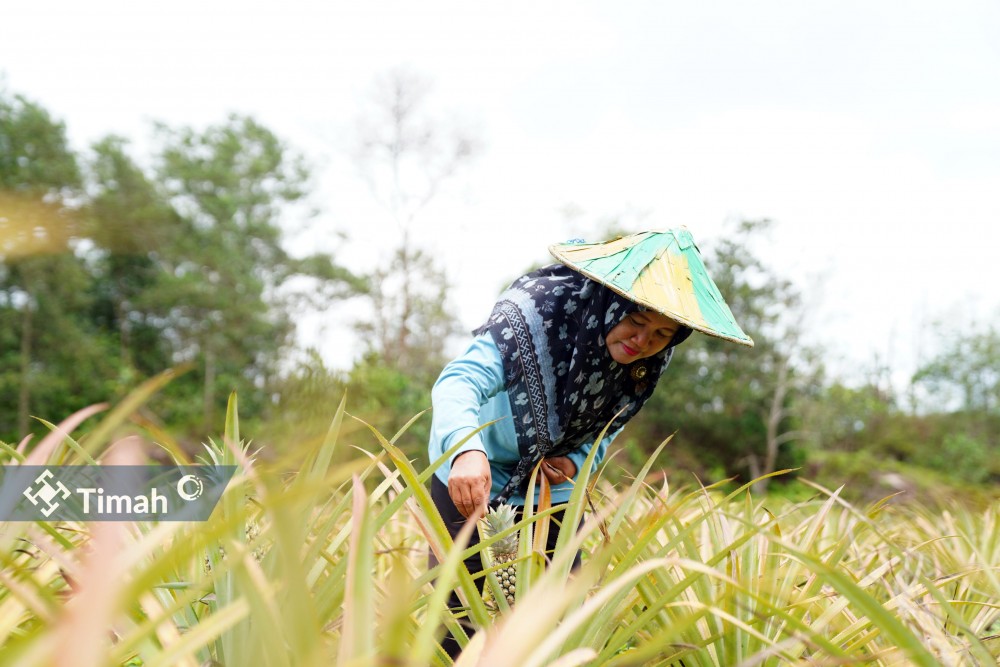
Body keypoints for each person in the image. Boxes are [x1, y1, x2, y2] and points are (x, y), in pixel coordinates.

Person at [427, 228, 752, 656]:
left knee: (557, 613)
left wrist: (579, 458)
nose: (642, 342)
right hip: (473, 469)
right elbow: (459, 381)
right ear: (608, 302)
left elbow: (611, 422)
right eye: (635, 321)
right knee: (454, 614)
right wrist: (467, 450)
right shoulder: (537, 310)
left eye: (660, 335)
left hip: (548, 484)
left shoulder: (649, 358)